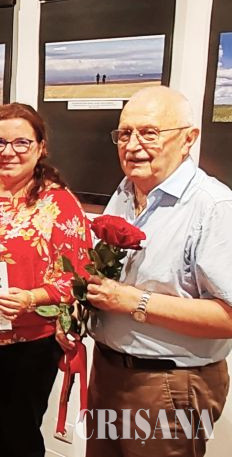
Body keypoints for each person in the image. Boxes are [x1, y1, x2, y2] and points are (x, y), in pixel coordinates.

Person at [67, 87, 232, 456]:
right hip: (109, 370)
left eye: (149, 133)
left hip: (170, 384)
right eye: (125, 133)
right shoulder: (126, 192)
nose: (132, 145)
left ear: (188, 139)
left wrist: (134, 302)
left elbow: (229, 317)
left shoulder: (214, 207)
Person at [0, 103, 91, 457]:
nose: (8, 152)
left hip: (32, 342)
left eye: (21, 142)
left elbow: (78, 276)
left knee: (20, 436)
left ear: (40, 148)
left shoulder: (58, 203)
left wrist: (31, 297)